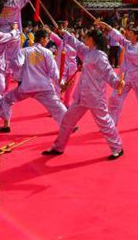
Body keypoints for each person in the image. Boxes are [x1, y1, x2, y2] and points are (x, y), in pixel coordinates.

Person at [42, 28, 124, 159]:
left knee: (104, 122)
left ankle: (117, 148)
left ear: (91, 39)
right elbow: (77, 44)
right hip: (82, 95)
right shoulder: (87, 52)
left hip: (95, 96)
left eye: (86, 37)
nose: (84, 39)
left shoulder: (100, 55)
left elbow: (108, 72)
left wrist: (116, 82)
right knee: (67, 120)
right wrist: (65, 33)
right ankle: (58, 147)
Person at [0, 29, 67, 132]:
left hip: (26, 87)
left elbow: (17, 65)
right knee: (57, 105)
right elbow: (53, 71)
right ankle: (68, 125)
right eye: (47, 38)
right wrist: (60, 83)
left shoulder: (24, 51)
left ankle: (6, 124)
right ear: (43, 39)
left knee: (6, 99)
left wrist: (17, 75)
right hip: (43, 87)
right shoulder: (47, 52)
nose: (48, 40)